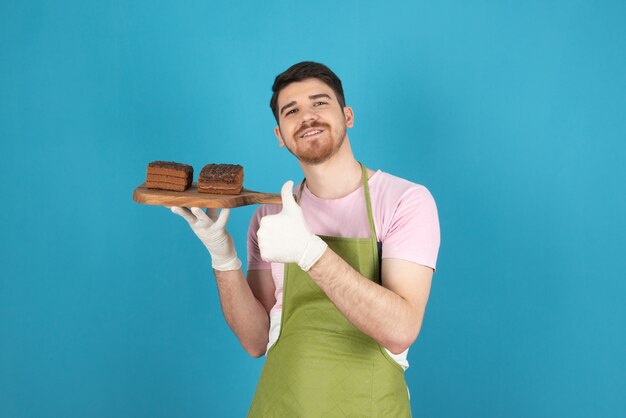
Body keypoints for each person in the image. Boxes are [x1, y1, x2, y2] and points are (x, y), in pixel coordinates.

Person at [171, 61, 440, 417]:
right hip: (278, 405)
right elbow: (255, 341)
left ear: (347, 116)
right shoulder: (271, 215)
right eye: (292, 110)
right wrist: (223, 258)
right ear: (280, 136)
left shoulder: (404, 201)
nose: (307, 116)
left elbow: (400, 329)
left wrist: (310, 251)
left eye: (319, 103)